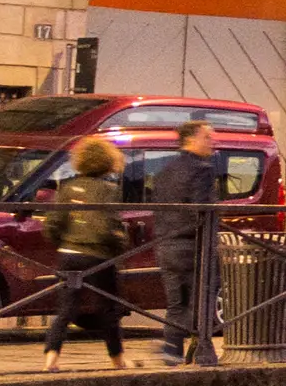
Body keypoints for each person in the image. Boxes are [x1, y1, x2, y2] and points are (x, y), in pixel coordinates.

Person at [38, 136, 132, 368]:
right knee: (109, 309)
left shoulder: (67, 187)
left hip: (69, 254)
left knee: (66, 308)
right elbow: (109, 226)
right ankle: (117, 359)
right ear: (108, 161)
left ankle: (51, 357)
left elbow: (52, 225)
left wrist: (64, 242)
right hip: (99, 257)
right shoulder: (109, 190)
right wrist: (120, 245)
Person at [148, 121, 225, 364]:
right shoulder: (202, 169)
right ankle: (203, 348)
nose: (213, 142)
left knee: (176, 301)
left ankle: (172, 349)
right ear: (191, 139)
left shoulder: (165, 170)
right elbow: (202, 210)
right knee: (202, 298)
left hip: (166, 243)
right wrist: (213, 237)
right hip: (194, 245)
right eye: (207, 137)